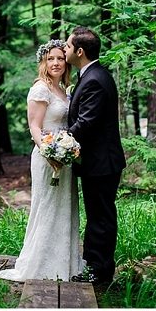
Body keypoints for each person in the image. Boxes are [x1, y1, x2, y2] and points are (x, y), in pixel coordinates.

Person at [0, 39, 86, 282]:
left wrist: (65, 152)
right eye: (51, 58)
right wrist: (49, 153)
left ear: (66, 62)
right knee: (46, 207)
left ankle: (65, 263)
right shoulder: (40, 89)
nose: (56, 63)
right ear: (43, 62)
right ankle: (40, 264)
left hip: (64, 159)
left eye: (60, 58)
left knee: (64, 208)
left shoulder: (64, 91)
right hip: (47, 159)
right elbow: (35, 127)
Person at [65, 27, 125, 285]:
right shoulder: (91, 75)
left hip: (101, 162)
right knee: (98, 216)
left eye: (67, 47)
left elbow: (86, 123)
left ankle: (99, 272)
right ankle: (95, 266)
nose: (64, 50)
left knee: (100, 218)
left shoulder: (94, 80)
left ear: (80, 51)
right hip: (98, 162)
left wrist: (59, 142)